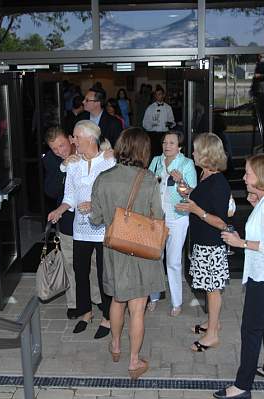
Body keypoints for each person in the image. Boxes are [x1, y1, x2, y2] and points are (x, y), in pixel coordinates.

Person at [91, 127, 165, 379]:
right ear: (144, 151)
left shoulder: (103, 178)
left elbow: (97, 217)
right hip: (141, 251)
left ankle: (115, 346)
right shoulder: (148, 179)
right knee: (138, 307)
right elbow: (159, 218)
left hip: (114, 250)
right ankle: (134, 361)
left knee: (116, 300)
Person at [216, 154, 264, 399]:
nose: (244, 177)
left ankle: (242, 385)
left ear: (262, 177)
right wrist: (256, 200)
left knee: (251, 328)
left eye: (248, 173)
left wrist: (240, 243)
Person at [47, 120, 116, 338]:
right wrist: (60, 209)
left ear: (89, 138)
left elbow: (115, 196)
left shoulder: (108, 161)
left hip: (104, 228)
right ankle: (86, 312)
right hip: (80, 229)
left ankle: (107, 316)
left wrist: (95, 205)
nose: (72, 140)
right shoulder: (73, 164)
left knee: (104, 273)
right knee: (80, 271)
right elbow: (69, 196)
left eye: (76, 137)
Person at [175, 132, 231, 353]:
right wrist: (188, 190)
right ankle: (212, 323)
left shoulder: (219, 183)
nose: (193, 154)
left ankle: (212, 335)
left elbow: (221, 222)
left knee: (212, 289)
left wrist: (195, 209)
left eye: (197, 150)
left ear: (207, 154)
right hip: (202, 242)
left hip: (212, 245)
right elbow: (203, 197)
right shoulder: (205, 176)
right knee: (209, 287)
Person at [42, 127, 102, 319]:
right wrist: (63, 168)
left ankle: (97, 299)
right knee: (71, 264)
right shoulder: (51, 161)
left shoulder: (87, 150)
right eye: (54, 149)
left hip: (94, 221)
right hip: (68, 222)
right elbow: (50, 191)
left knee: (94, 264)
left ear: (71, 139)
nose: (59, 151)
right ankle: (75, 303)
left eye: (62, 145)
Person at [147, 131, 197, 316]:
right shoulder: (156, 161)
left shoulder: (186, 164)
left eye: (172, 143)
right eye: (165, 142)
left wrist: (180, 181)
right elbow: (148, 185)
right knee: (154, 257)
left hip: (177, 217)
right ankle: (153, 297)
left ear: (179, 147)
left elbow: (191, 193)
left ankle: (176, 302)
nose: (167, 145)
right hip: (157, 216)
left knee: (174, 261)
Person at [142, 87, 175, 157]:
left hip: (165, 134)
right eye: (156, 94)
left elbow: (172, 122)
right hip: (153, 135)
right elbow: (144, 124)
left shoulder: (168, 108)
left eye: (160, 94)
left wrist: (169, 124)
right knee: (154, 155)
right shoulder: (150, 108)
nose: (158, 96)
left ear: (163, 95)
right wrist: (152, 124)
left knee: (166, 154)